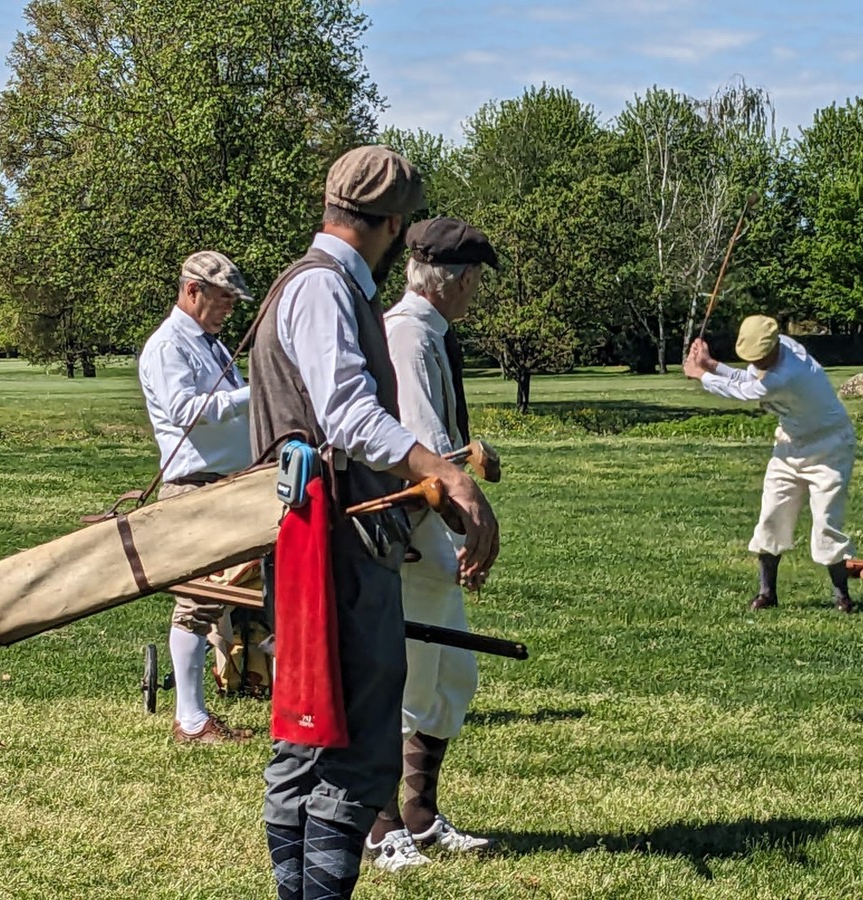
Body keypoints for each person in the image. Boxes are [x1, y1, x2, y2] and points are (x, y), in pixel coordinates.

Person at [249, 147, 500, 900]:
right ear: (393, 225)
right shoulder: (328, 290)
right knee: (347, 753)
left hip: (310, 545)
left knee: (308, 744)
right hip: (330, 549)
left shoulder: (310, 282)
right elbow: (350, 416)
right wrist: (443, 470)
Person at [365, 217, 499, 868]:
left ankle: (419, 817)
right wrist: (466, 527)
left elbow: (437, 440)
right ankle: (379, 827)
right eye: (475, 280)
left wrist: (473, 453)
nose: (476, 291)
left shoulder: (428, 333)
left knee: (452, 680)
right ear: (458, 279)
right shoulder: (410, 337)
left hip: (432, 535)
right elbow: (417, 454)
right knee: (409, 684)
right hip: (412, 534)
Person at [137, 250, 255, 743]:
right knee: (197, 600)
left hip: (230, 482)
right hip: (195, 488)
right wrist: (259, 392)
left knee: (241, 592)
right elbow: (189, 410)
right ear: (192, 291)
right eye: (223, 299)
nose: (229, 309)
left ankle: (252, 672)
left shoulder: (208, 343)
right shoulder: (168, 347)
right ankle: (190, 719)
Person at [683, 315, 857, 613]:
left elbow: (747, 391)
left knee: (827, 521)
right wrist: (711, 365)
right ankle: (767, 593)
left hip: (830, 447)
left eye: (760, 358)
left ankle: (842, 597)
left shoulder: (789, 373)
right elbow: (749, 378)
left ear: (773, 347)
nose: (757, 363)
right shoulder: (778, 350)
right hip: (790, 444)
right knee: (771, 517)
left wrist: (700, 375)